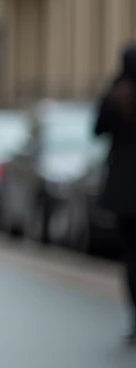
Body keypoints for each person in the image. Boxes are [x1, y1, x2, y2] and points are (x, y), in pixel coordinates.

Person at [96, 44, 136, 344]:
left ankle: (135, 318)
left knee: (131, 255)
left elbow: (96, 129)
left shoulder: (116, 94)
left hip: (124, 187)